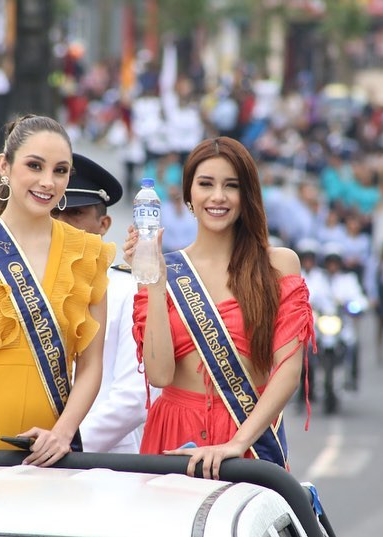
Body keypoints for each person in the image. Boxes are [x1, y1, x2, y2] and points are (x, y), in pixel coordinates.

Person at [126, 137, 315, 477]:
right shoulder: (161, 268)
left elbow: (287, 371)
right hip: (174, 434)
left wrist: (238, 443)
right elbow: (159, 375)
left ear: (248, 197)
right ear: (188, 195)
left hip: (246, 435)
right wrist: (155, 283)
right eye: (205, 184)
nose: (218, 197)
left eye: (232, 186)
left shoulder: (278, 265)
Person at [0, 115, 114, 466]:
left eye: (60, 171)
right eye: (35, 166)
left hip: (49, 448)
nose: (48, 182)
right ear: (5, 165)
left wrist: (63, 432)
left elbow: (91, 367)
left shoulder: (89, 253)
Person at [52, 153, 148, 454]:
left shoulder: (128, 289)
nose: (63, 224)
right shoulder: (32, 286)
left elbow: (133, 398)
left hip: (103, 463)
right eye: (55, 213)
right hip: (29, 454)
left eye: (76, 214)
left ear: (104, 223)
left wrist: (67, 443)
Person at [305, 244, 368, 391]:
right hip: (321, 322)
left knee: (352, 344)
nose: (332, 266)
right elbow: (308, 296)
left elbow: (359, 298)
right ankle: (307, 385)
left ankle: (351, 377)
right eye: (329, 263)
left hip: (341, 323)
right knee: (307, 347)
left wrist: (356, 306)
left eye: (335, 263)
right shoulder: (317, 279)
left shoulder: (348, 280)